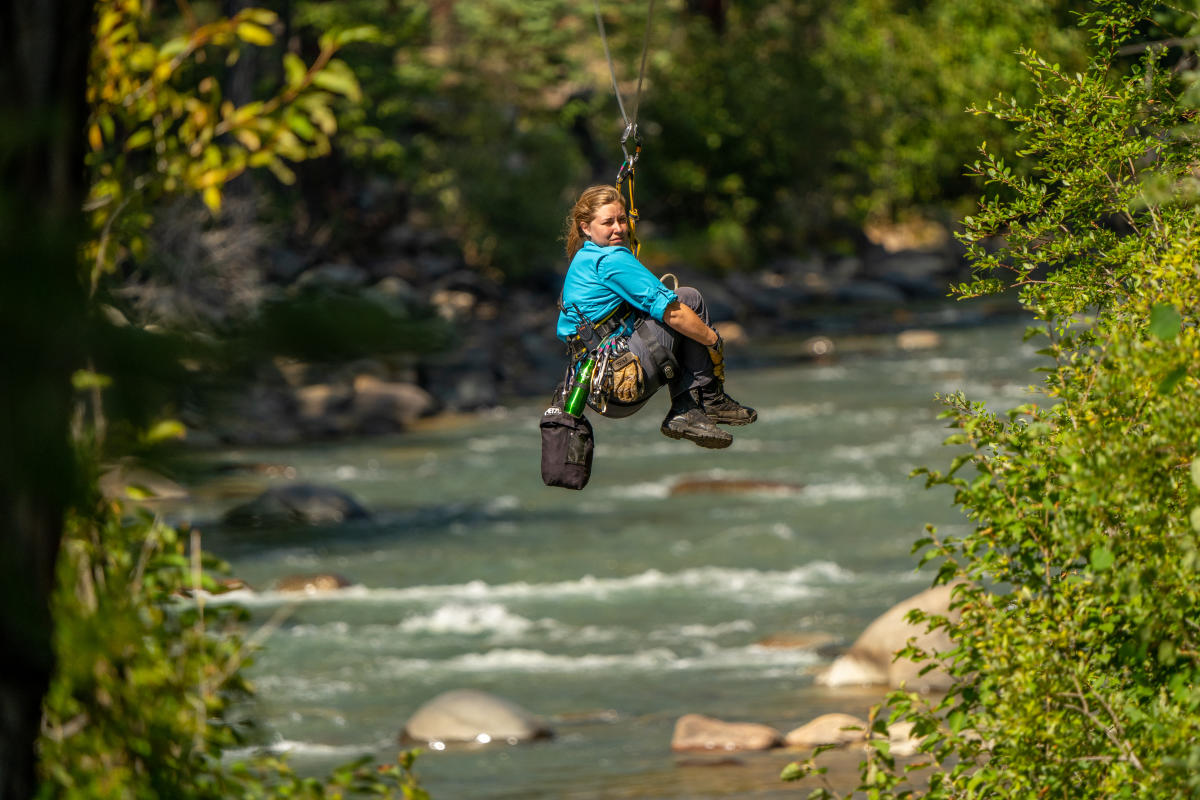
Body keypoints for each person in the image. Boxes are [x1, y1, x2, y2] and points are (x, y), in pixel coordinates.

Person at [556, 184, 756, 449]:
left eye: (622, 219)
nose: (619, 228)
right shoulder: (610, 260)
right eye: (608, 222)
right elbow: (672, 312)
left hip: (597, 392)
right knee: (688, 299)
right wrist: (713, 341)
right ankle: (701, 402)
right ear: (585, 227)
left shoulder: (584, 259)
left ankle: (697, 404)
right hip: (620, 383)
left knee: (677, 306)